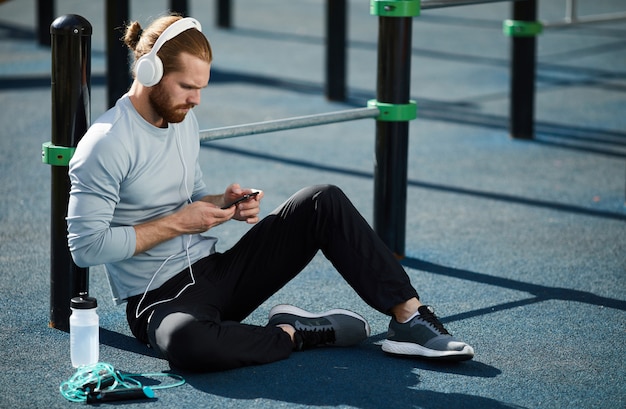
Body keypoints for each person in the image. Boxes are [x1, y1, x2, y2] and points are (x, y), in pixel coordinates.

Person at [67, 15, 474, 372]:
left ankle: (409, 318)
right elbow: (85, 248)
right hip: (158, 302)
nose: (196, 99)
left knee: (321, 200)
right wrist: (179, 223)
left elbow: (191, 199)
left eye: (201, 88)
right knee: (190, 344)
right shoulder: (105, 144)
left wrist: (222, 203)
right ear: (150, 71)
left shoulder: (181, 118)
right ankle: (292, 334)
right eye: (187, 86)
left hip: (215, 274)